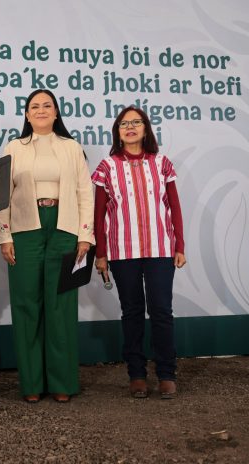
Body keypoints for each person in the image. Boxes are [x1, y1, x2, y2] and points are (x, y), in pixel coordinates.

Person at [0, 89, 94, 403]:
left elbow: (84, 191)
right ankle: (32, 384)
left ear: (56, 112)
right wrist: (4, 236)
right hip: (25, 230)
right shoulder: (14, 147)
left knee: (61, 305)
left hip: (64, 228)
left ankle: (62, 382)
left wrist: (85, 236)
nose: (41, 110)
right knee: (27, 305)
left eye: (47, 105)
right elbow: (1, 193)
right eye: (34, 106)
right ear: (26, 114)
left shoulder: (71, 147)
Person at [91, 106, 186, 399]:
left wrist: (180, 245)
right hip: (122, 250)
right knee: (131, 312)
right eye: (124, 124)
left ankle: (167, 374)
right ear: (117, 132)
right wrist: (100, 253)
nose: (130, 127)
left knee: (161, 310)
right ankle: (137, 375)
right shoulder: (107, 167)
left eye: (136, 122)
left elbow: (174, 207)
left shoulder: (161, 163)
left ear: (145, 129)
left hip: (160, 248)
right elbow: (98, 214)